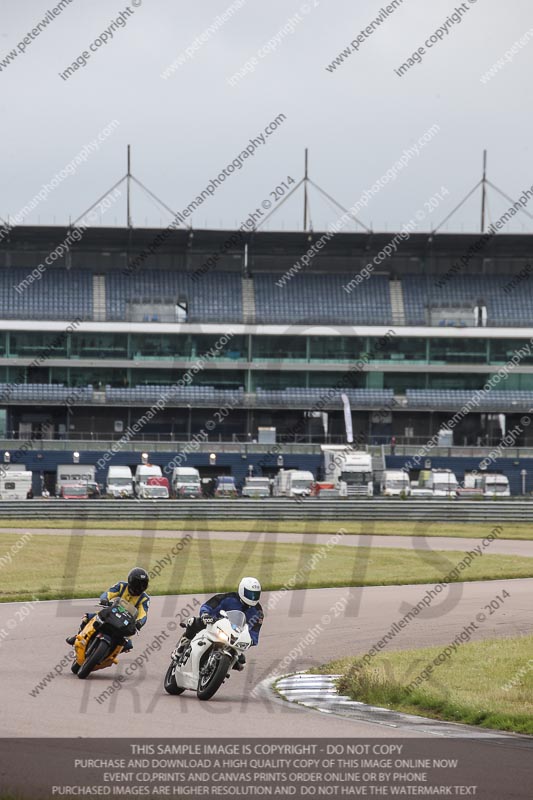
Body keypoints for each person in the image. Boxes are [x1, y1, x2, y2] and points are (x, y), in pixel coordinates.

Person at [173, 577, 263, 670]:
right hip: (212, 624)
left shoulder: (258, 612)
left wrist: (250, 640)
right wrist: (205, 614)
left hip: (233, 637)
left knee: (241, 664)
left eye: (255, 595)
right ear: (241, 590)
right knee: (193, 622)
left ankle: (221, 671)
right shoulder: (228, 598)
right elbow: (208, 605)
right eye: (249, 593)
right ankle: (180, 648)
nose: (252, 597)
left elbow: (255, 632)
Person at [66, 567, 150, 652]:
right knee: (87, 617)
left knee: (128, 645)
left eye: (143, 584)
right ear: (131, 581)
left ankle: (109, 654)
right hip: (111, 613)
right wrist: (104, 599)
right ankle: (78, 637)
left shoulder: (144, 599)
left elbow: (143, 614)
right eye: (137, 584)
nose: (139, 587)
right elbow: (109, 593)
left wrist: (139, 623)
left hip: (126, 623)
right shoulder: (121, 586)